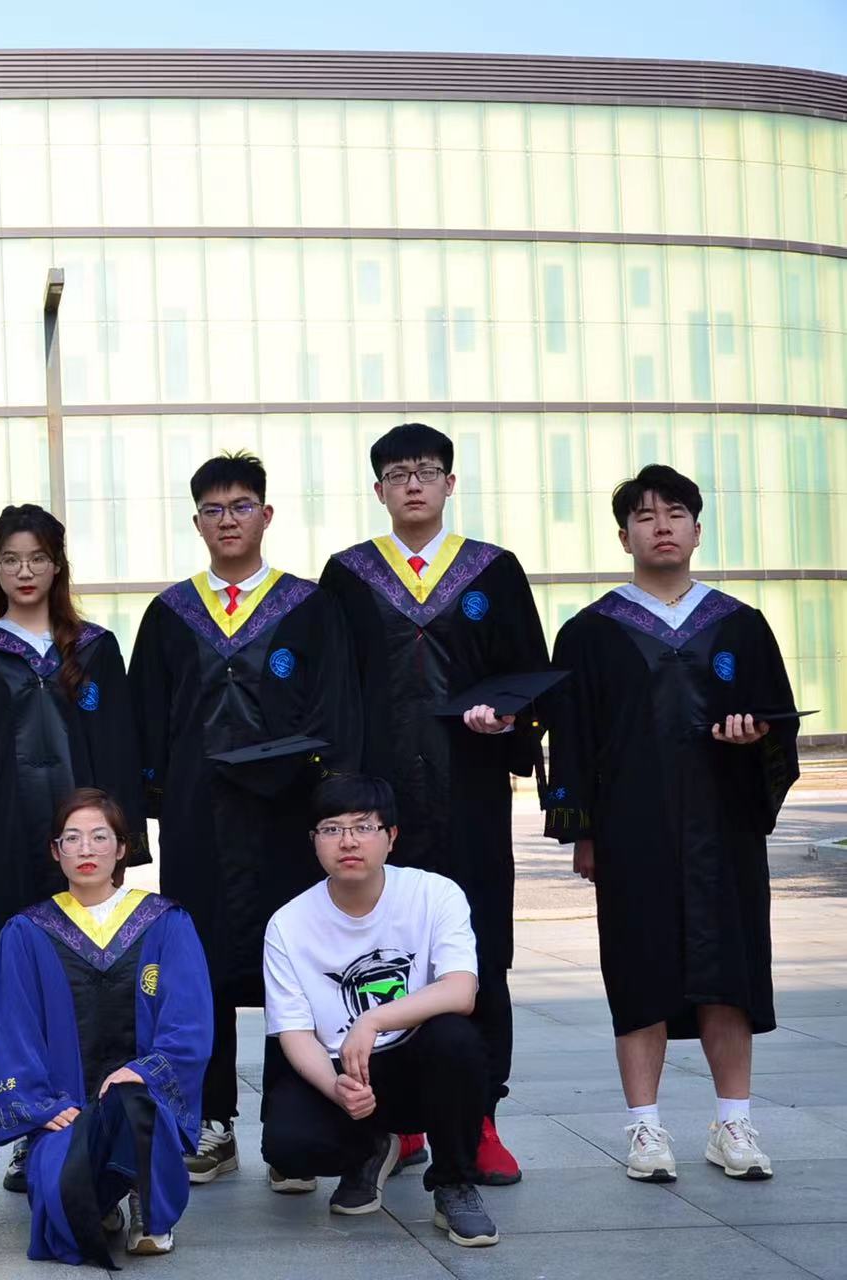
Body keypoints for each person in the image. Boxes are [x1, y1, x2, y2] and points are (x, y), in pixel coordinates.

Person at [544, 465, 798, 1184]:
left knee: (730, 974)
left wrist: (756, 740)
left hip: (724, 826)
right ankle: (646, 1129)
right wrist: (583, 831)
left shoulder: (741, 624)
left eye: (676, 513)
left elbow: (777, 721)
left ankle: (733, 1123)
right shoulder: (589, 632)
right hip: (633, 829)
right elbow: (571, 740)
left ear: (697, 529)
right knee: (639, 970)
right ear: (623, 535)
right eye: (646, 515)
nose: (662, 526)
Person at [318, 423, 546, 1184]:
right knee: (378, 954)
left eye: (425, 470)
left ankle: (479, 1118)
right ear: (378, 490)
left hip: (469, 795)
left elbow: (528, 676)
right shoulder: (348, 576)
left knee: (478, 951)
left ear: (450, 483)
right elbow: (334, 689)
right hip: (380, 806)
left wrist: (507, 721)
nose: (412, 483)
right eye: (397, 473)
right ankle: (399, 1120)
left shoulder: (494, 571)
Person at [128, 452, 361, 1187]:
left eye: (241, 506)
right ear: (197, 522)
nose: (227, 520)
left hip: (289, 817)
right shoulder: (170, 613)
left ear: (266, 514)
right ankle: (213, 1119)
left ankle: (296, 1129)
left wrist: (333, 803)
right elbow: (145, 723)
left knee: (295, 966)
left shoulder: (311, 606)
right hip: (197, 819)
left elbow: (337, 707)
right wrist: (151, 808)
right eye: (213, 510)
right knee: (199, 971)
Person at [259, 773, 499, 1248]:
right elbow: (293, 1032)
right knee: (289, 1146)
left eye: (364, 827)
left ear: (391, 836)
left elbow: (461, 990)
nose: (348, 841)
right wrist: (336, 1090)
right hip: (342, 1070)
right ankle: (368, 1147)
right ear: (314, 841)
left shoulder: (435, 894)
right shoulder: (288, 923)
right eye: (332, 829)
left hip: (417, 1065)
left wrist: (373, 1019)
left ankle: (453, 1183)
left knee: (456, 1039)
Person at [0, 788, 211, 1265]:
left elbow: (189, 1023)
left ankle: (142, 1197)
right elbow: (15, 1031)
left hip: (142, 1103)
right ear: (56, 851)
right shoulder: (27, 932)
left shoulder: (165, 923)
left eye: (99, 836)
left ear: (122, 847)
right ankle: (100, 1199)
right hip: (66, 1106)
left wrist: (143, 1071)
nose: (86, 849)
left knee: (134, 1102)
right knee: (63, 1214)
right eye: (71, 838)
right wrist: (40, 1105)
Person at [0, 503, 143, 932]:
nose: (25, 572)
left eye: (37, 559)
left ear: (57, 566)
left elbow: (120, 751)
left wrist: (122, 845)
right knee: (11, 942)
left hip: (85, 837)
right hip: (2, 835)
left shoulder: (96, 648)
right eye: (10, 560)